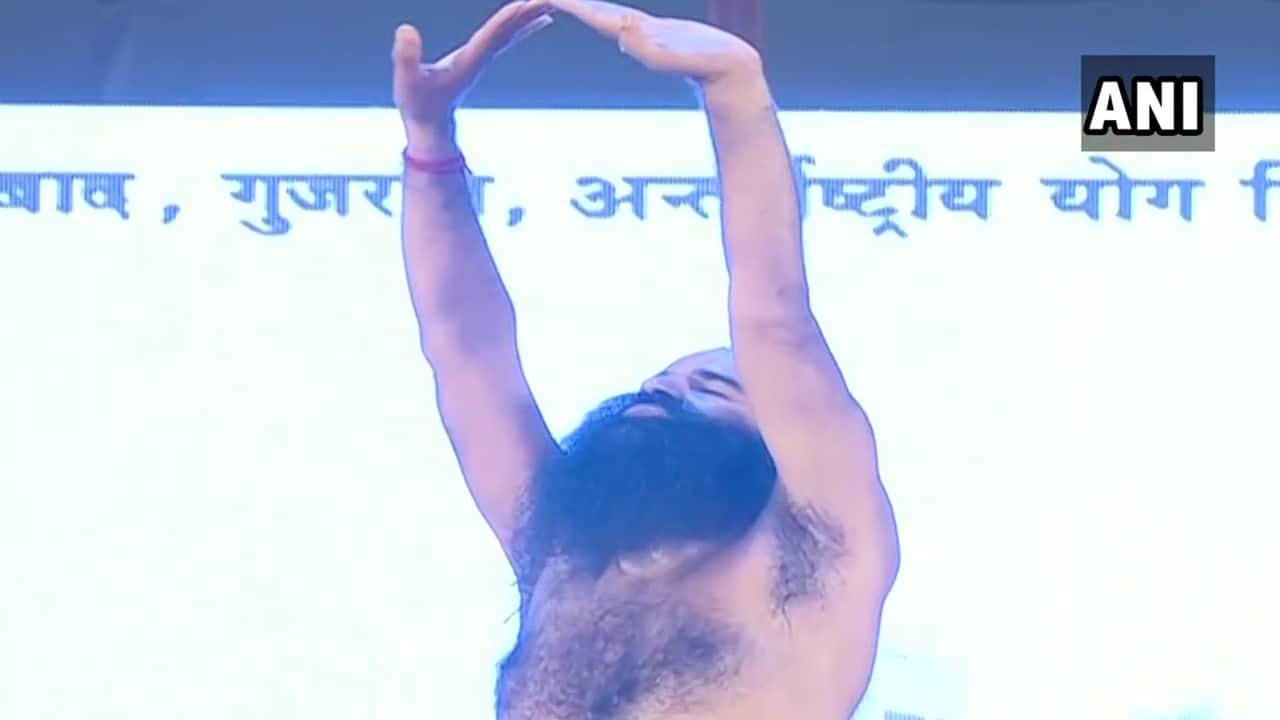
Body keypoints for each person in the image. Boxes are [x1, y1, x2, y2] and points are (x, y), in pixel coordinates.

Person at [391, 1, 900, 718]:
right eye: (655, 383)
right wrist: (429, 146)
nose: (657, 394)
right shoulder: (562, 559)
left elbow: (775, 320)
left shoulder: (812, 564)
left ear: (776, 448)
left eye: (711, 387)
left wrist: (733, 93)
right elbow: (465, 354)